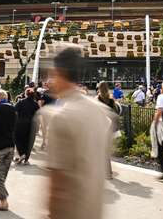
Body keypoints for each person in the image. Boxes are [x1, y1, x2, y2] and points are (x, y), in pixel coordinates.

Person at [43, 44, 112, 219]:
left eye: (51, 74)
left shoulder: (61, 116)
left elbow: (57, 188)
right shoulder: (100, 112)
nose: (49, 81)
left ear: (60, 73)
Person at [13, 88, 38, 164]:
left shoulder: (20, 102)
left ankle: (22, 154)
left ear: (25, 94)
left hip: (20, 123)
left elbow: (15, 111)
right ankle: (26, 158)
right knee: (29, 141)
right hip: (31, 124)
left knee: (18, 139)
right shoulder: (35, 103)